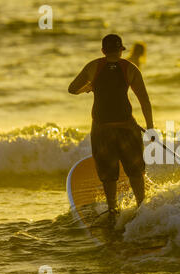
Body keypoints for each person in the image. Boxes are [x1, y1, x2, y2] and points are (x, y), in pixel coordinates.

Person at [68, 34, 154, 228]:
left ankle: (113, 209)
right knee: (135, 170)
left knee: (108, 173)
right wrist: (150, 128)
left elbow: (72, 89)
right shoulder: (130, 68)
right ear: (121, 50)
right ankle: (142, 208)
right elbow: (145, 100)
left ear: (103, 51)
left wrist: (88, 87)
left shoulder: (93, 67)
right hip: (126, 127)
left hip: (102, 129)